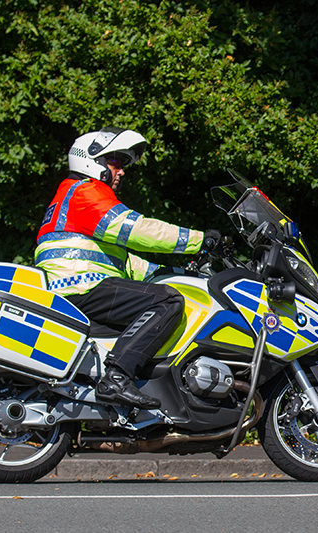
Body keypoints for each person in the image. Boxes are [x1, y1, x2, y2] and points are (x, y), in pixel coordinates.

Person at [35, 127, 221, 408]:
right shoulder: (86, 192)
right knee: (168, 301)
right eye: (116, 163)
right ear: (92, 159)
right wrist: (199, 240)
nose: (121, 172)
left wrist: (174, 273)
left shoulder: (70, 195)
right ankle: (117, 377)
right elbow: (137, 230)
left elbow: (122, 261)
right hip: (82, 285)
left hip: (81, 283)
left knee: (162, 290)